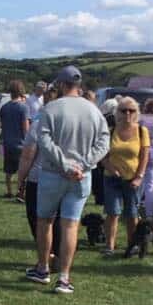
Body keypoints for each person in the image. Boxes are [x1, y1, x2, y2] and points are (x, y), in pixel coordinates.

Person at [29, 65, 110, 293]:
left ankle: (43, 268)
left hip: (53, 173)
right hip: (81, 176)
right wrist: (82, 165)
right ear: (79, 85)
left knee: (45, 221)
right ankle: (64, 278)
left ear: (62, 85)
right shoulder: (94, 111)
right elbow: (104, 144)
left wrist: (65, 164)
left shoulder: (50, 108)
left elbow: (43, 141)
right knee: (70, 225)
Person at [16, 86, 61, 264]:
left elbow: (28, 155)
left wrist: (21, 179)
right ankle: (57, 253)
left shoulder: (38, 123)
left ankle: (46, 255)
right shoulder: (69, 123)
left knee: (38, 219)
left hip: (39, 177)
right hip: (64, 177)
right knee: (59, 219)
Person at [101, 96, 150, 256]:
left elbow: (144, 156)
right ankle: (109, 246)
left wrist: (139, 177)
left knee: (132, 213)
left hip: (133, 179)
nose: (127, 113)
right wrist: (110, 167)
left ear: (137, 112)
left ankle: (132, 244)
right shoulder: (110, 131)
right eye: (124, 110)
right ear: (117, 112)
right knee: (113, 212)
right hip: (112, 178)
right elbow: (103, 156)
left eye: (131, 110)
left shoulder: (142, 131)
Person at [0, 80, 31, 200]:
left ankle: (9, 191)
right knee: (22, 170)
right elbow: (25, 127)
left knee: (8, 170)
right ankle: (21, 192)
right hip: (21, 144)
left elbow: (3, 125)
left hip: (7, 143)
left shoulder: (4, 107)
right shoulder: (24, 107)